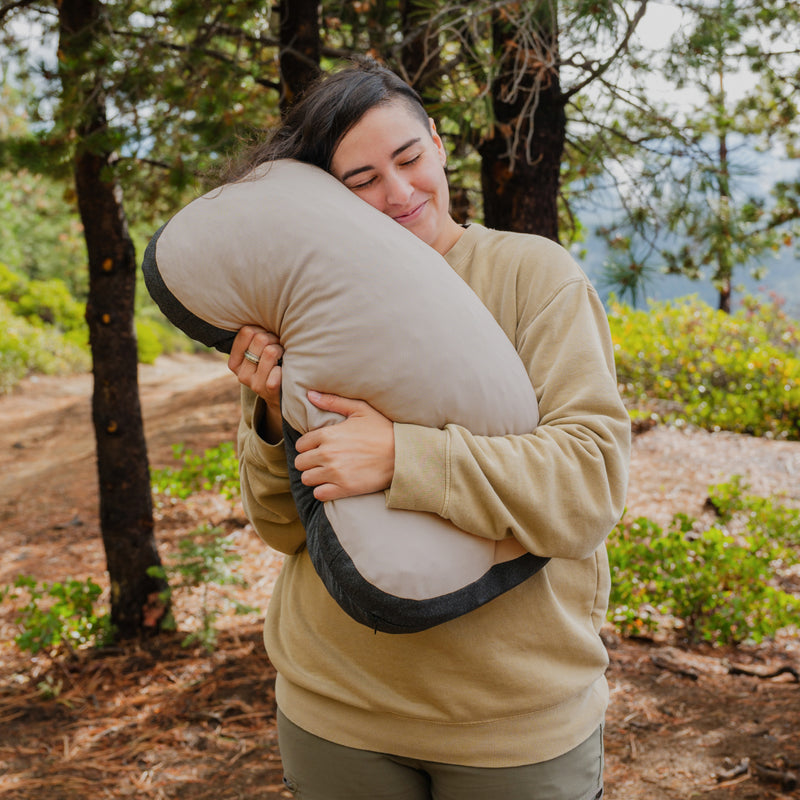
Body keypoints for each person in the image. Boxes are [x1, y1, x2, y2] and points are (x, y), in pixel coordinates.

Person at [226, 59, 630, 800]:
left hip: (513, 724)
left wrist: (401, 458)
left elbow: (590, 483)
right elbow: (282, 530)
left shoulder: (533, 277)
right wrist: (273, 417)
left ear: (440, 145)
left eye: (410, 159)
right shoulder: (307, 308)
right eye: (363, 180)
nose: (401, 191)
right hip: (334, 710)